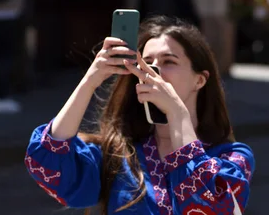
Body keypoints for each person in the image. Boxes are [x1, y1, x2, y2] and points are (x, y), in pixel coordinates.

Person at [25, 16, 254, 215]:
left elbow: (212, 206)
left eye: (168, 62)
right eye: (145, 63)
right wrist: (90, 81)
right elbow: (46, 162)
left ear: (200, 79)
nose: (152, 71)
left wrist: (177, 114)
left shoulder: (232, 157)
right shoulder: (119, 155)